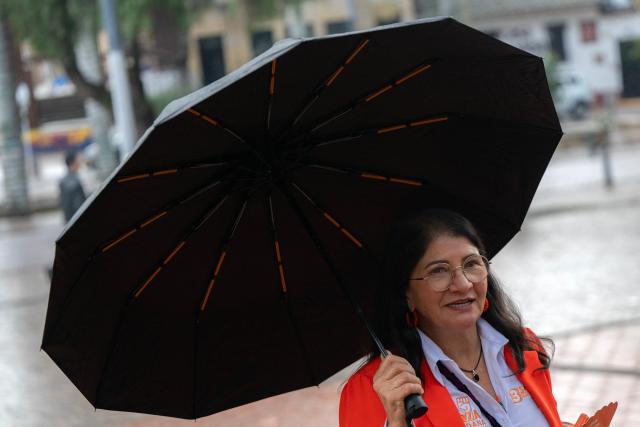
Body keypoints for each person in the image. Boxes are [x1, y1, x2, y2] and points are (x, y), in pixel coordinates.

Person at [339, 209, 562, 427]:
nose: (463, 284)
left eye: (471, 264)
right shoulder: (378, 389)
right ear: (406, 293)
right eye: (439, 271)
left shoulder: (523, 346)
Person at [59, 148, 87, 223]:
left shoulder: (64, 180)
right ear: (72, 162)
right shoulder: (74, 182)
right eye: (78, 160)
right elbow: (79, 205)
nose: (80, 162)